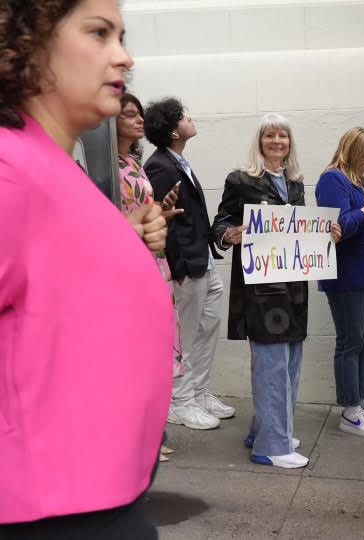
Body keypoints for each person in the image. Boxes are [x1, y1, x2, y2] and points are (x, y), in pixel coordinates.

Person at [0, 1, 174, 537]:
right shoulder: (10, 167)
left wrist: (124, 235)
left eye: (121, 36)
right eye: (99, 33)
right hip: (45, 512)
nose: (123, 57)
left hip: (98, 499)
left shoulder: (52, 164)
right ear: (29, 44)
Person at [211, 114, 340, 468]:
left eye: (283, 136)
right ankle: (272, 445)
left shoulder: (295, 182)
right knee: (271, 365)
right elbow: (219, 224)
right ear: (260, 141)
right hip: (262, 292)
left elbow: (296, 231)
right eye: (270, 135)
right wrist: (230, 233)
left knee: (291, 362)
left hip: (294, 288)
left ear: (290, 144)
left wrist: (325, 233)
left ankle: (267, 428)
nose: (277, 141)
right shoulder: (241, 179)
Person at [144, 97, 234, 430]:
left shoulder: (179, 161)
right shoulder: (160, 166)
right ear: (171, 129)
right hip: (187, 267)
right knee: (184, 335)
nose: (190, 118)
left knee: (207, 328)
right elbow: (162, 221)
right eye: (183, 116)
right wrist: (178, 269)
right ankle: (180, 402)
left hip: (204, 261)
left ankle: (199, 392)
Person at [117, 92, 184, 462]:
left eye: (139, 114)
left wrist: (163, 210)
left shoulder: (134, 162)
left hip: (155, 259)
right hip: (133, 260)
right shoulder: (108, 166)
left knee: (155, 347)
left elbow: (144, 210)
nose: (139, 120)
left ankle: (151, 432)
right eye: (129, 115)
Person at [315, 127, 364, 439]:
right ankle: (349, 411)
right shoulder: (332, 179)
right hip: (346, 274)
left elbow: (361, 219)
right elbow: (340, 227)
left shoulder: (358, 180)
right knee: (350, 340)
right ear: (355, 152)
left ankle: (361, 399)